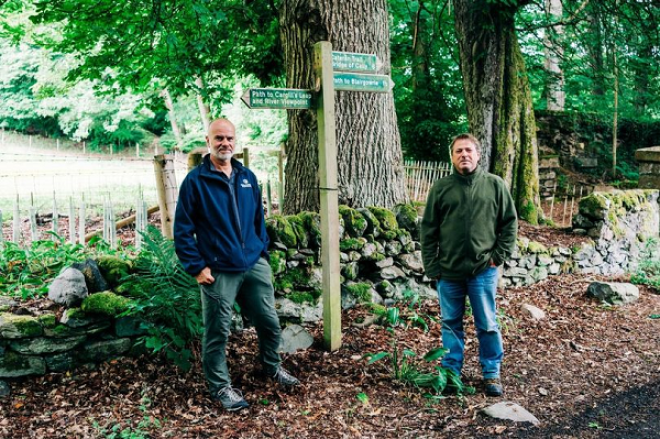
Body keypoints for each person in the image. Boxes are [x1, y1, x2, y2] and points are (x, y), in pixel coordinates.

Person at [174, 118, 299, 412]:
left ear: (236, 141)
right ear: (208, 141)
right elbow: (182, 229)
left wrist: (262, 256)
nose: (225, 143)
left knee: (269, 322)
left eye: (229, 138)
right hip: (218, 270)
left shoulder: (247, 177)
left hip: (253, 265)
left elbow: (258, 220)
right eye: (219, 138)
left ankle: (272, 367)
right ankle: (221, 388)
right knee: (218, 331)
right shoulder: (196, 181)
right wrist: (196, 267)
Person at [420, 133, 518, 397]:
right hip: (448, 272)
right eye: (458, 151)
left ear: (477, 154)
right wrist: (432, 266)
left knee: (486, 322)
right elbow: (428, 229)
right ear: (452, 157)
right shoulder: (441, 188)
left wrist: (498, 256)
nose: (464, 155)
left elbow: (509, 223)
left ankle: (491, 373)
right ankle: (451, 373)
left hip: (483, 270)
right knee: (451, 323)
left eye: (468, 150)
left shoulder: (495, 185)